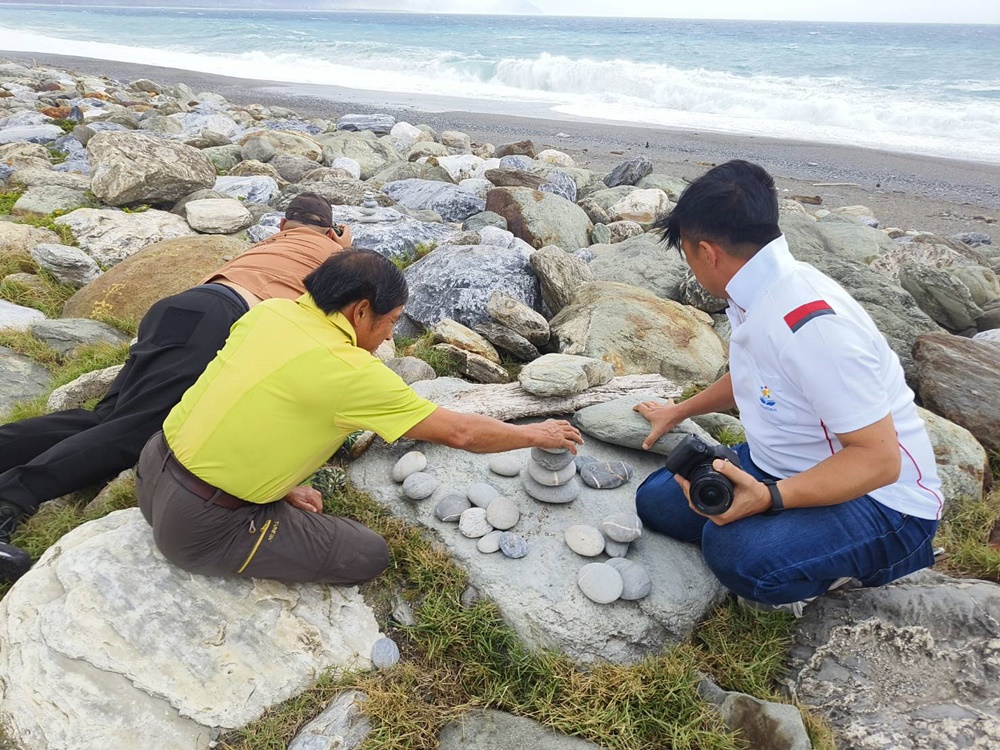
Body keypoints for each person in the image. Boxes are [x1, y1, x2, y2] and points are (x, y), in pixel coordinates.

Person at [135, 249, 583, 584]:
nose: (391, 333)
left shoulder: (268, 314)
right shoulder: (351, 371)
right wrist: (536, 434)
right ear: (361, 310)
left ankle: (259, 495)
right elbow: (462, 433)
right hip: (200, 528)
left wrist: (281, 485)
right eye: (391, 321)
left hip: (151, 469)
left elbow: (249, 399)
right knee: (365, 554)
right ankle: (250, 516)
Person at [633, 160, 942, 616]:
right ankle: (785, 521)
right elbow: (756, 375)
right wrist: (679, 411)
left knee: (735, 552)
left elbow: (879, 460)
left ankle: (873, 560)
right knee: (658, 501)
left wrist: (770, 498)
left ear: (707, 252)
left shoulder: (814, 327)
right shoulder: (755, 287)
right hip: (788, 463)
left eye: (686, 253)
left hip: (883, 502)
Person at [0, 193, 352, 580]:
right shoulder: (335, 258)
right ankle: (12, 498)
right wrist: (341, 246)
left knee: (109, 418)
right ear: (331, 231)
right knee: (138, 432)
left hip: (185, 306)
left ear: (284, 225)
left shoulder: (271, 244)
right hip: (225, 320)